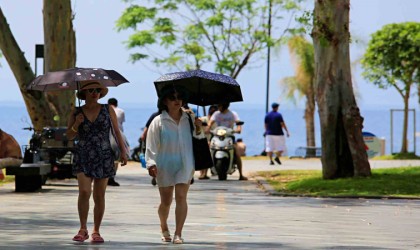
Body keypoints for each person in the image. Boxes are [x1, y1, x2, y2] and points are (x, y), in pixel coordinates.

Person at [67, 81, 128, 243]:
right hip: (83, 154)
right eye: (91, 90)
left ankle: (96, 230)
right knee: (84, 191)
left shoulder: (107, 109)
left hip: (104, 154)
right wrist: (77, 123)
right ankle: (82, 228)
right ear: (84, 93)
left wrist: (123, 151)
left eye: (97, 90)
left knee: (99, 195)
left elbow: (116, 131)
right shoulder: (77, 111)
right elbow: (69, 136)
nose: (95, 92)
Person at [145, 85, 204, 244]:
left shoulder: (190, 119)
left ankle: (178, 233)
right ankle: (164, 226)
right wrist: (151, 163)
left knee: (181, 197)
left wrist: (199, 126)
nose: (177, 101)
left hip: (185, 163)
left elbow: (200, 139)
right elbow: (151, 144)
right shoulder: (158, 121)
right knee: (166, 201)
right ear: (165, 101)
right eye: (172, 98)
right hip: (164, 164)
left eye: (179, 97)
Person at [206, 102, 248, 180]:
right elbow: (210, 123)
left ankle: (241, 175)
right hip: (217, 136)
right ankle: (204, 173)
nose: (218, 107)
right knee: (208, 150)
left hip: (229, 136)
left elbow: (238, 122)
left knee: (237, 152)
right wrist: (208, 128)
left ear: (225, 105)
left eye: (219, 105)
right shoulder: (216, 114)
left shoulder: (233, 114)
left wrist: (238, 128)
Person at [107, 97, 126, 186]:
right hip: (118, 135)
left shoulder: (105, 110)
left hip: (106, 134)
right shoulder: (121, 111)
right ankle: (112, 177)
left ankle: (106, 176)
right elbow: (121, 124)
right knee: (116, 157)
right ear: (116, 104)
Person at [140, 110, 160, 186]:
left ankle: (155, 175)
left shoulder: (155, 114)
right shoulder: (156, 115)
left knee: (156, 157)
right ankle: (155, 175)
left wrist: (143, 135)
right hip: (158, 141)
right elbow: (148, 126)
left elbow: (147, 126)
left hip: (156, 141)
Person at [198, 105, 218, 179]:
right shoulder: (203, 119)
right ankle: (203, 173)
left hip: (212, 141)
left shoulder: (216, 122)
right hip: (201, 140)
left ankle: (204, 173)